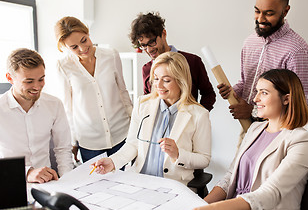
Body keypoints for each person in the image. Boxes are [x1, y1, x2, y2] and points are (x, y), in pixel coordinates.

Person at [182, 69, 308, 210]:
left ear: (286, 99)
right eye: (257, 92)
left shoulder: (303, 141)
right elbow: (229, 178)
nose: (255, 99)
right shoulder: (255, 128)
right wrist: (199, 206)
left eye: (264, 93)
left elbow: (270, 193)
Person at [91, 52, 211, 186]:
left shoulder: (199, 114)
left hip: (173, 185)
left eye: (166, 80)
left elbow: (204, 159)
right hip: (140, 181)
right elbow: (132, 144)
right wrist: (112, 162)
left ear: (181, 81)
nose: (158, 85)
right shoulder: (142, 104)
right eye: (155, 78)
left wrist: (178, 154)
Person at [218, 0, 308, 123]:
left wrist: (253, 110)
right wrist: (232, 92)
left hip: (279, 134)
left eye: (269, 13)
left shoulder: (296, 51)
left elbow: (304, 106)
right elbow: (246, 83)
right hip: (248, 130)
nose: (260, 19)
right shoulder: (250, 42)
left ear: (285, 11)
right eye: (257, 11)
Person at [54, 16, 132, 163]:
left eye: (84, 40)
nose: (83, 49)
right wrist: (72, 140)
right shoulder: (63, 66)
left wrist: (134, 123)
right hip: (89, 141)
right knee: (96, 184)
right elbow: (68, 107)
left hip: (121, 132)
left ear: (88, 33)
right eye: (74, 47)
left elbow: (122, 90)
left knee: (123, 183)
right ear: (65, 47)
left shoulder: (111, 55)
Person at [0, 48, 73, 183]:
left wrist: (67, 183)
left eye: (41, 79)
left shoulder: (54, 104)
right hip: (9, 182)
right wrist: (27, 172)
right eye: (29, 81)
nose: (37, 87)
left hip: (47, 185)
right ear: (10, 78)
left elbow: (63, 149)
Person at [129, 11, 216, 112]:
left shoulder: (193, 62)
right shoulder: (147, 69)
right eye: (143, 45)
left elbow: (208, 94)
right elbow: (149, 101)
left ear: (163, 34)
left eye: (152, 42)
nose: (149, 50)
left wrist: (197, 118)